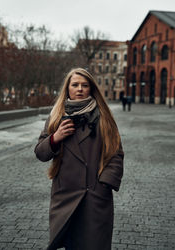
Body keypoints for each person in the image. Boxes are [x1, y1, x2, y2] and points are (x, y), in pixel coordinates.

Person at [34, 68, 124, 250]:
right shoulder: (56, 117)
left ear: (91, 88)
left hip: (94, 195)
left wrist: (104, 183)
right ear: (67, 89)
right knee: (72, 244)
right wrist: (55, 137)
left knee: (93, 244)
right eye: (75, 85)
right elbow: (40, 153)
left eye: (85, 85)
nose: (80, 89)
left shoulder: (104, 117)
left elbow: (116, 152)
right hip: (66, 195)